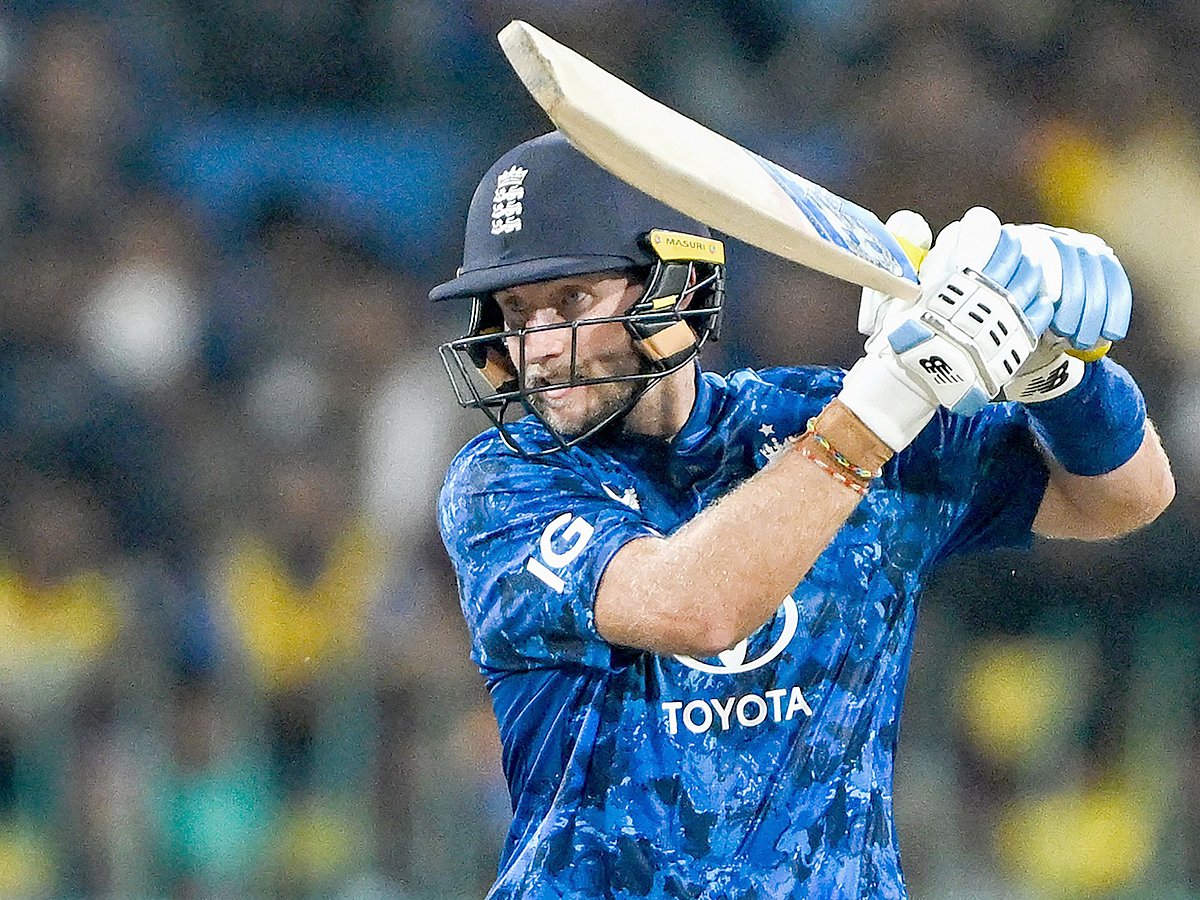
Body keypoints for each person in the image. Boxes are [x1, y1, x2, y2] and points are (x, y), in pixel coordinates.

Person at [430, 131, 1174, 899]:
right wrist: (889, 401)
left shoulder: (813, 412)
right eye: (517, 311)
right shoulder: (505, 482)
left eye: (572, 301)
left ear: (675, 288)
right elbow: (699, 606)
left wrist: (1060, 373)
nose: (539, 349)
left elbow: (1123, 497)